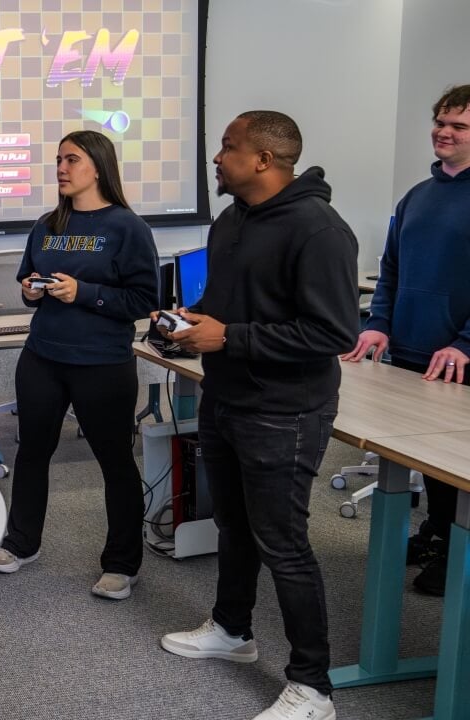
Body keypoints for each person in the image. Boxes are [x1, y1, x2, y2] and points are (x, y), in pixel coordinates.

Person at [159, 111, 358, 720]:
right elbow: (226, 307)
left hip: (285, 410)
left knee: (285, 543)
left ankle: (313, 688)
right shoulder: (231, 221)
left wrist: (230, 338)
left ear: (264, 161)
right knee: (235, 528)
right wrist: (189, 323)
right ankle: (232, 630)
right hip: (227, 397)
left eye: (228, 147)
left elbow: (332, 332)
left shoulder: (319, 230)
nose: (217, 158)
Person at [0, 130, 158, 604]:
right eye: (58, 159)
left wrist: (84, 292)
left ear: (97, 166)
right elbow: (24, 279)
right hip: (43, 357)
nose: (60, 167)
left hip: (102, 363)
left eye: (71, 159)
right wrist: (30, 291)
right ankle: (22, 542)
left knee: (115, 461)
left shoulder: (128, 228)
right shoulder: (48, 223)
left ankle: (122, 564)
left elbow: (144, 300)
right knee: (33, 453)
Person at [341, 84, 470, 597]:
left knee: (459, 469)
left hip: (458, 358)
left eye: (458, 126)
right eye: (440, 122)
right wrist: (378, 322)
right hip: (412, 353)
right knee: (428, 466)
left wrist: (465, 342)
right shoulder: (417, 195)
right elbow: (390, 269)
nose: (444, 132)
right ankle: (437, 533)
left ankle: (458, 553)